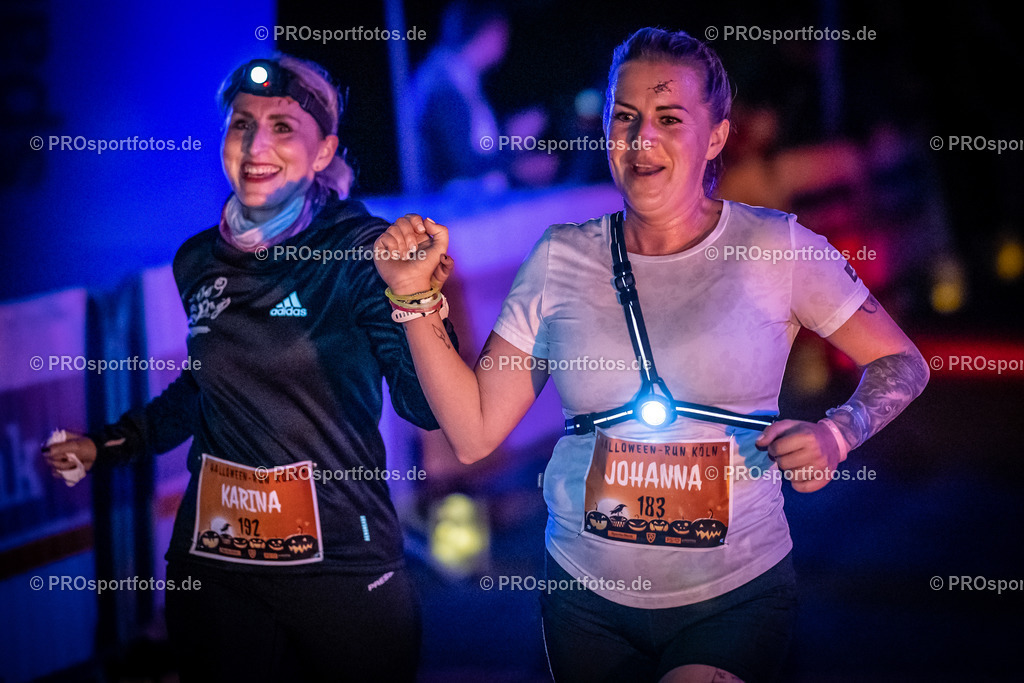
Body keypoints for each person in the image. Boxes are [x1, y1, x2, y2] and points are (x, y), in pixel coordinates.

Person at [374, 27, 928, 683]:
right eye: (624, 116)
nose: (641, 140)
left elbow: (902, 361)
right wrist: (413, 301)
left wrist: (839, 433)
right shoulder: (561, 256)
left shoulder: (776, 248)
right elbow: (472, 432)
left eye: (669, 118)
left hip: (731, 593)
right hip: (584, 597)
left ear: (716, 135)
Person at [43, 54, 454, 682]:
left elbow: (426, 407)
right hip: (215, 569)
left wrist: (417, 298)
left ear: (324, 153)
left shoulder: (360, 252)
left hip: (342, 566)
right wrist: (107, 445)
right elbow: (203, 390)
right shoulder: (198, 261)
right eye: (242, 124)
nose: (257, 144)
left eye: (284, 126)